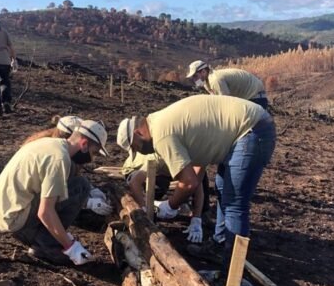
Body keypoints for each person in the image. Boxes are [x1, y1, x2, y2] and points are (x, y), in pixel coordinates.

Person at [116, 95, 276, 275]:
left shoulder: (162, 135)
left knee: (234, 205)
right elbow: (197, 171)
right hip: (249, 128)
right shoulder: (159, 122)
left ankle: (232, 279)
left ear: (138, 133)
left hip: (251, 131)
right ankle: (221, 245)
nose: (138, 151)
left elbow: (189, 182)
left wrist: (171, 205)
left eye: (135, 147)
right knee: (224, 190)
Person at [0, 119, 110, 265]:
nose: (92, 158)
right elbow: (45, 212)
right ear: (84, 145)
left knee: (79, 184)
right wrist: (71, 247)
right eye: (93, 152)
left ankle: (47, 237)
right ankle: (46, 245)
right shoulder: (59, 158)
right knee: (80, 186)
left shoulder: (50, 144)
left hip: (3, 214)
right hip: (16, 222)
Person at [21, 115, 114, 217]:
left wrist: (91, 190)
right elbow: (50, 196)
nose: (92, 158)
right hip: (25, 208)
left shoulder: (48, 145)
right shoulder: (57, 157)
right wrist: (87, 202)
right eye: (94, 153)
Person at [120, 149, 210, 242]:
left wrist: (196, 219)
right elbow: (134, 182)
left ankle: (201, 211)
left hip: (166, 169)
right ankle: (152, 209)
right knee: (158, 186)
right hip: (135, 168)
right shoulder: (159, 159)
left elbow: (197, 185)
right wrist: (144, 210)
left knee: (198, 179)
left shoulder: (189, 160)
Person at [186, 60, 269, 109]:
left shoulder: (214, 80)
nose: (194, 79)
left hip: (255, 98)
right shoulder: (208, 81)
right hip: (251, 97)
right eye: (193, 77)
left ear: (203, 72)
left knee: (251, 132)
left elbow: (226, 103)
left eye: (195, 76)